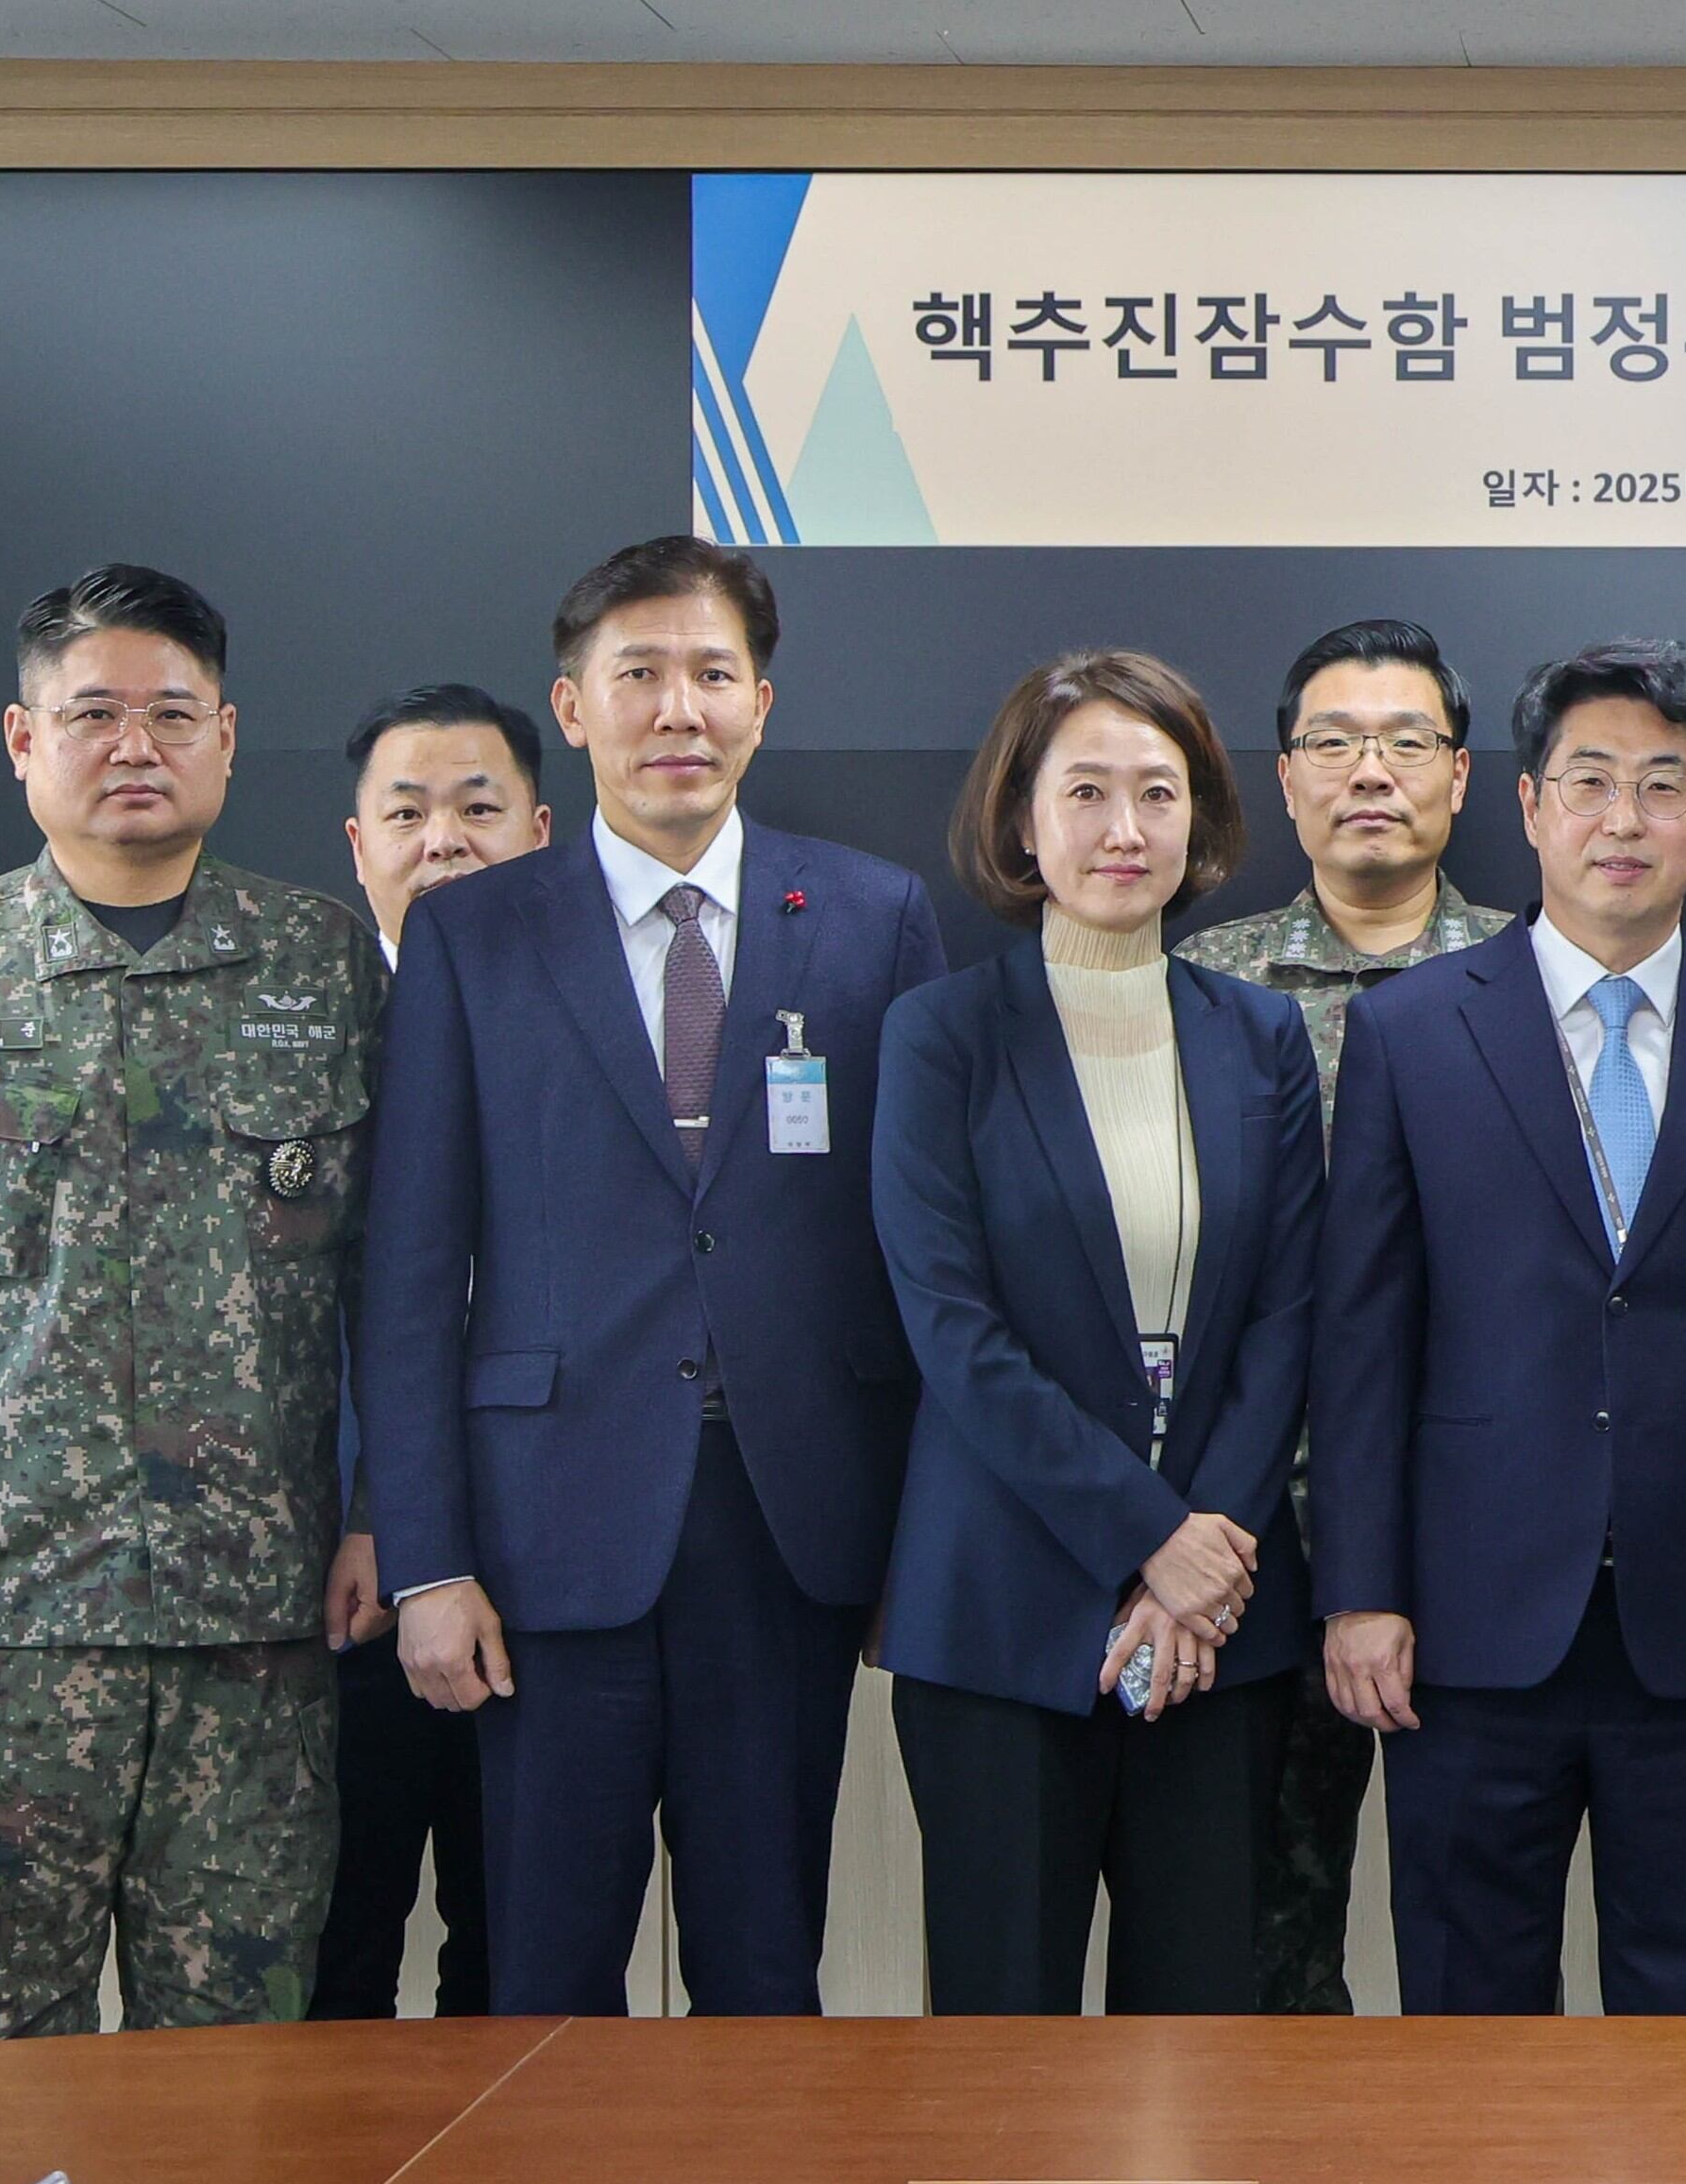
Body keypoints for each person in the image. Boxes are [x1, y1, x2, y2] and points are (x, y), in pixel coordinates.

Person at [0, 564, 383, 2040]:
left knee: (235, 2080)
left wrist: (386, 1512)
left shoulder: (324, 964)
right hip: (6, 1634)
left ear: (227, 736)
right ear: (23, 739)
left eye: (173, 712)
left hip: (259, 1636)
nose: (134, 745)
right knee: (3, 2068)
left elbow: (403, 1274)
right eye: (93, 712)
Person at [362, 534, 948, 2016]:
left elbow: (925, 1253)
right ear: (574, 707)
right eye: (639, 673)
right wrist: (428, 1561)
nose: (678, 707)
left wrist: (917, 1544)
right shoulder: (474, 934)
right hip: (545, 1531)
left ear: (761, 703)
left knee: (766, 1969)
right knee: (548, 1981)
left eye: (711, 673)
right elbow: (414, 1272)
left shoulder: (872, 917)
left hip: (792, 1522)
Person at [1312, 637, 1686, 2014]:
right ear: (1527, 802)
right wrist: (1361, 1589)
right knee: (1471, 2015)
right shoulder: (1412, 1032)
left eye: (1662, 784)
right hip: (1469, 1622)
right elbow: (1366, 1343)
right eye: (1590, 781)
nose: (1624, 819)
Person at [871, 651, 1324, 2014]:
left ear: (1201, 818)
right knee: (1003, 2046)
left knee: (1197, 2036)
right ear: (1021, 820)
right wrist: (1150, 1538)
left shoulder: (1261, 1036)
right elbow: (954, 1329)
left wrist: (1202, 1557)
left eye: (1158, 792)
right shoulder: (941, 1034)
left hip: (1220, 1625)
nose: (1125, 829)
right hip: (1002, 1613)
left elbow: (1286, 1316)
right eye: (1085, 792)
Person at [1175, 617, 1512, 2014]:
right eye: (1334, 742)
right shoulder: (1202, 987)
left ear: (1463, 774)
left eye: (1407, 741)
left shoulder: (1539, 978)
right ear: (1284, 776)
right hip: (1247, 1536)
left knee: (1475, 1942)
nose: (1370, 771)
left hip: (1473, 1535)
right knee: (1263, 1947)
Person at [314, 683, 551, 2020]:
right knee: (332, 1952)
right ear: (360, 845)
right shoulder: (296, 1025)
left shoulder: (601, 1023)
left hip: (547, 1565)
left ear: (542, 831)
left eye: (478, 808)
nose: (443, 840)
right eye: (407, 815)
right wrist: (380, 1520)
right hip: (332, 1580)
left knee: (515, 1959)